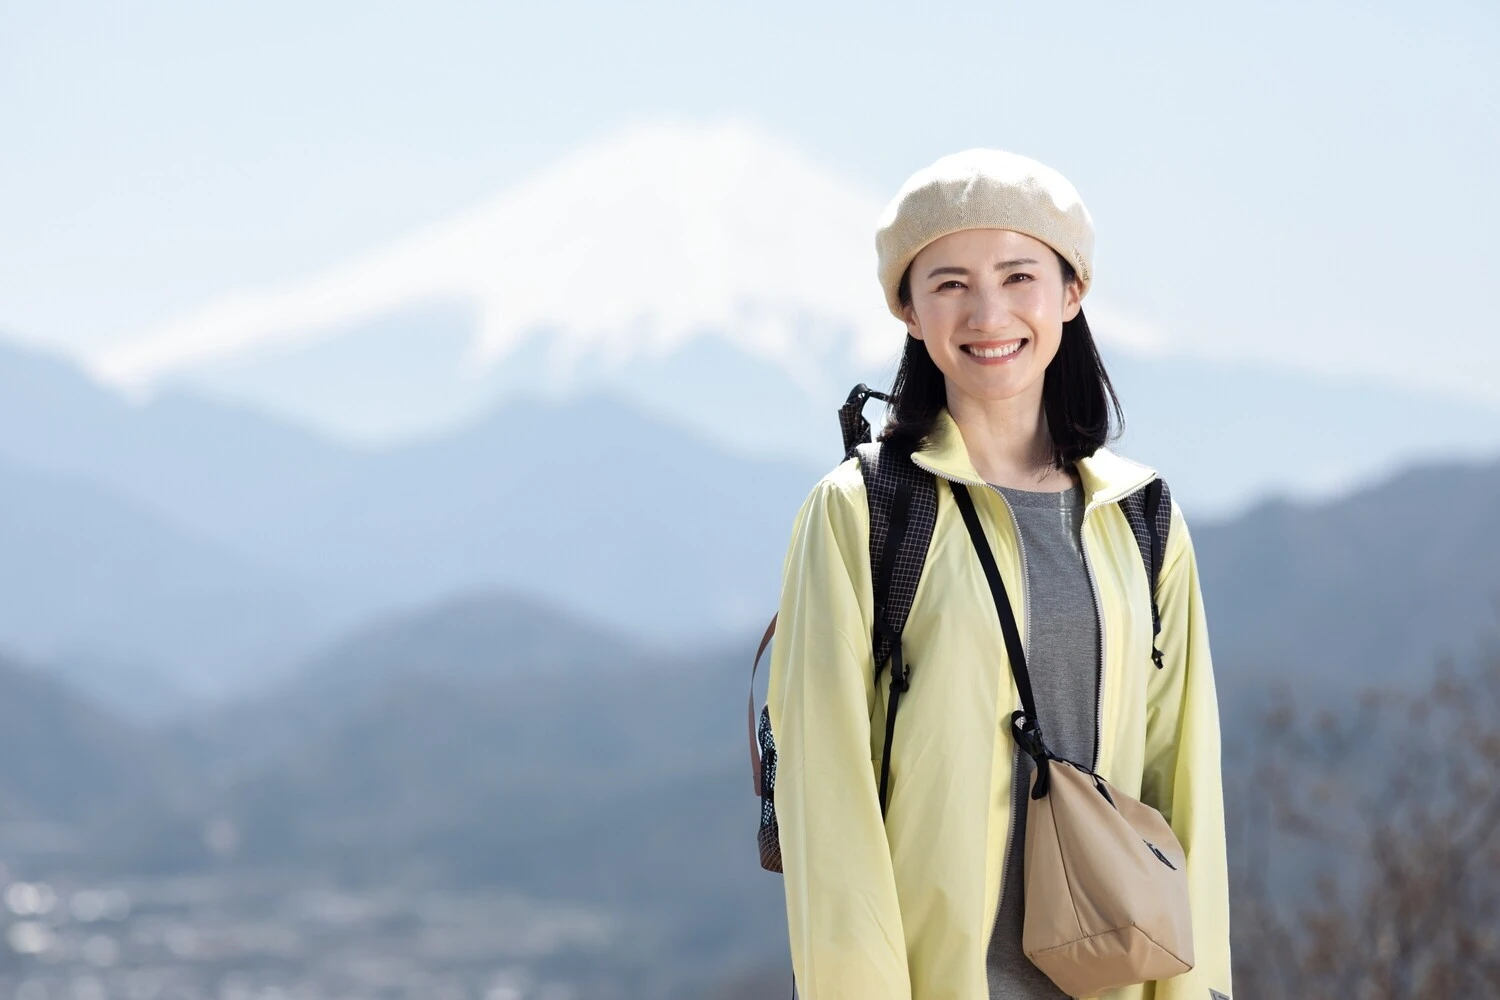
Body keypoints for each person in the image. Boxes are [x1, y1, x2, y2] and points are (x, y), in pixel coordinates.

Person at [765, 150, 1232, 999]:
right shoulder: (861, 513)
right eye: (948, 284)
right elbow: (827, 810)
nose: (988, 314)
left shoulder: (1139, 516)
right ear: (908, 309)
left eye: (1020, 275)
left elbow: (1183, 793)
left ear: (1071, 293)